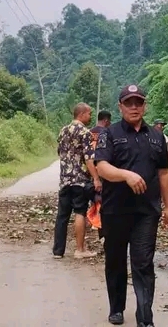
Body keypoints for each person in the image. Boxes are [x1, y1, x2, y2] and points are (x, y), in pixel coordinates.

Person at [94, 84, 168, 327]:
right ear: (120, 107)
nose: (134, 107)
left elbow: (163, 173)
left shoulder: (157, 137)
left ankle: (145, 318)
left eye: (138, 102)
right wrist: (126, 175)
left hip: (146, 212)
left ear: (145, 106)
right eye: (129, 103)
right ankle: (116, 308)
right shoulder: (110, 134)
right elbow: (101, 167)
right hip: (115, 210)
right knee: (115, 260)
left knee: (143, 263)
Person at [54, 102, 100, 259]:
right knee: (79, 212)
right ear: (81, 114)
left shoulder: (63, 130)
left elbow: (60, 153)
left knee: (62, 215)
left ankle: (58, 251)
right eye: (89, 113)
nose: (90, 116)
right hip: (79, 179)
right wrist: (96, 178)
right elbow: (88, 160)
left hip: (64, 179)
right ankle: (80, 249)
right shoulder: (85, 133)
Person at [88, 110, 113, 239]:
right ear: (106, 120)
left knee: (95, 198)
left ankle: (96, 223)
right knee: (103, 198)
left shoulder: (89, 133)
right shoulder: (107, 133)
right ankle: (101, 225)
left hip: (89, 170)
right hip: (104, 170)